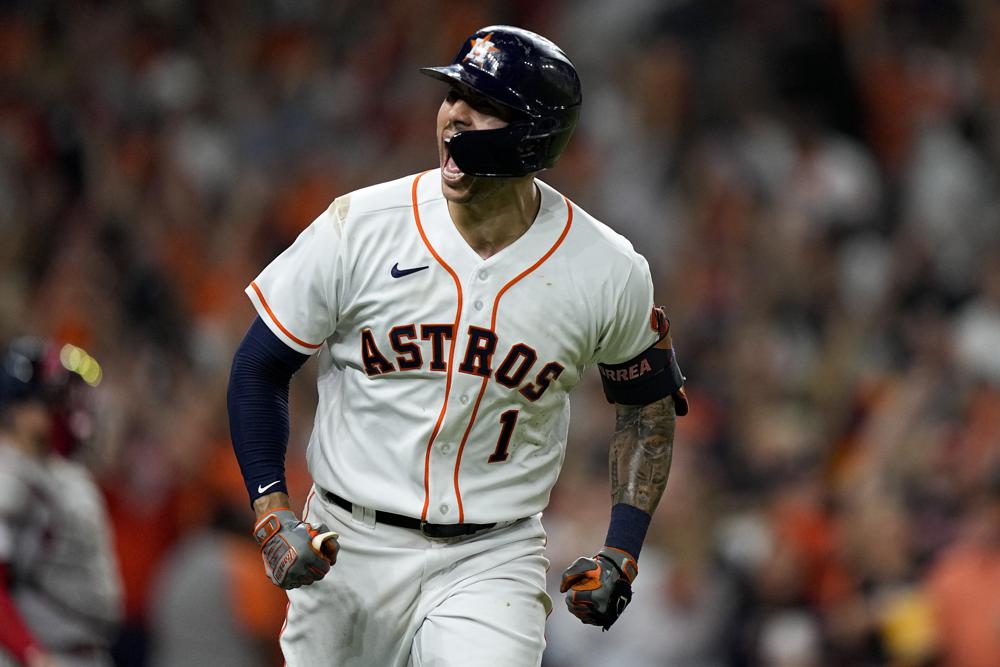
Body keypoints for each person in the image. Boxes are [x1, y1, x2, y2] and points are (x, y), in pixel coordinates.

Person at [228, 25, 688, 666]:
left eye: (483, 103)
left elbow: (646, 407)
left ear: (532, 135)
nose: (454, 114)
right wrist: (273, 511)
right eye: (453, 94)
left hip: (492, 557)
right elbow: (258, 366)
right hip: (350, 541)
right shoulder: (361, 226)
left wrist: (622, 548)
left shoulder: (606, 269)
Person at [0, 339, 122, 667]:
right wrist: (30, 653)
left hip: (83, 649)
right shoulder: (8, 470)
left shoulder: (51, 467)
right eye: (48, 400)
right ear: (16, 409)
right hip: (46, 652)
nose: (61, 408)